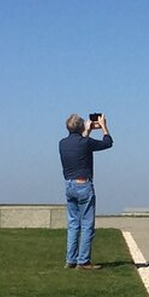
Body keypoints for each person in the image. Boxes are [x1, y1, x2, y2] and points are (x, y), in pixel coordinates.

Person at [58, 113, 114, 270]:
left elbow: (80, 144)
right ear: (81, 127)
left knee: (73, 223)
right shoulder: (85, 143)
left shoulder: (62, 143)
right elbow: (108, 143)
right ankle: (83, 261)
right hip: (83, 185)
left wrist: (87, 131)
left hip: (69, 185)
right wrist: (103, 126)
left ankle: (71, 259)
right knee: (87, 223)